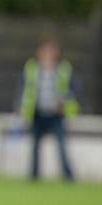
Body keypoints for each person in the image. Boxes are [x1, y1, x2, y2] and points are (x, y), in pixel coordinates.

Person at [18, 35, 80, 181]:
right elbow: (24, 89)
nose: (48, 54)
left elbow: (73, 90)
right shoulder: (32, 68)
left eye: (51, 51)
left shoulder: (63, 69)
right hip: (37, 114)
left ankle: (68, 176)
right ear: (39, 52)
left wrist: (65, 104)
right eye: (45, 51)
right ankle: (34, 176)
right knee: (34, 147)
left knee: (62, 146)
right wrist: (20, 108)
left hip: (56, 115)